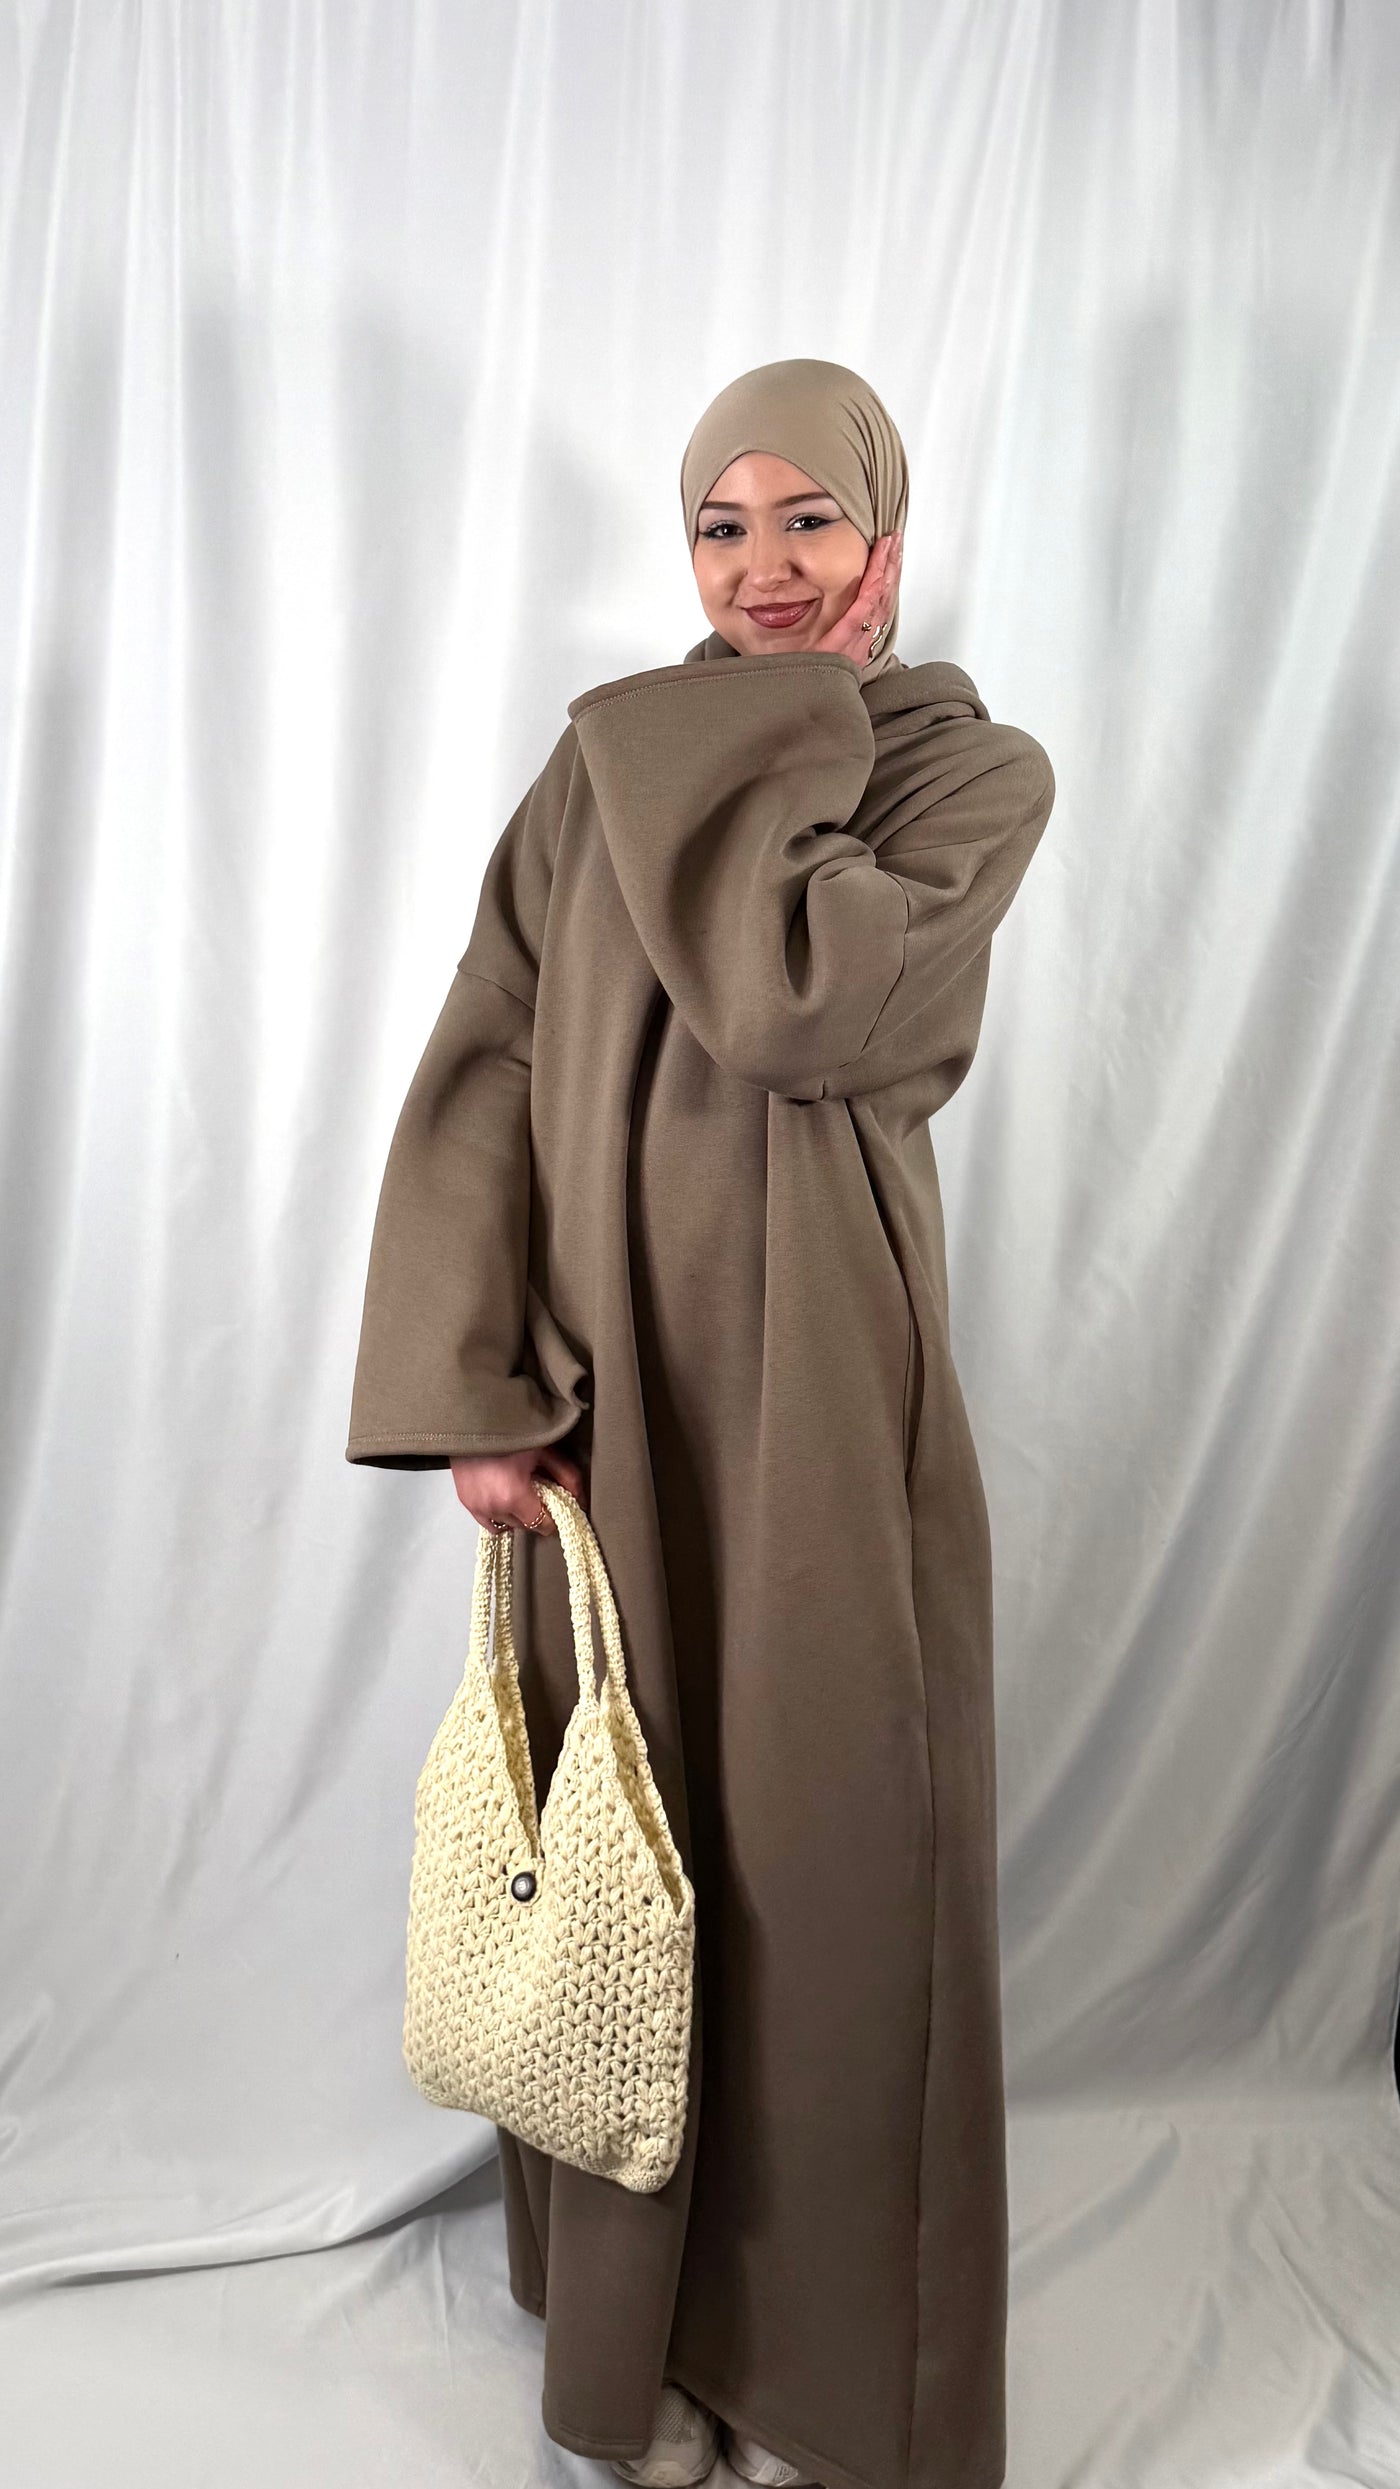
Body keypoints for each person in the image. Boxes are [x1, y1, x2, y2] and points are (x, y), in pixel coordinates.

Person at [346, 358, 1056, 2489]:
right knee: (627, 1863)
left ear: (885, 539)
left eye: (808, 519)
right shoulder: (600, 769)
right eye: (722, 528)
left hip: (826, 1399)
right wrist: (475, 1383)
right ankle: (630, 2353)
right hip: (606, 1395)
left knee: (827, 1860)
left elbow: (804, 999)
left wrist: (765, 721)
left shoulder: (963, 771)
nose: (764, 567)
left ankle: (836, 2386)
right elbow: (489, 1060)